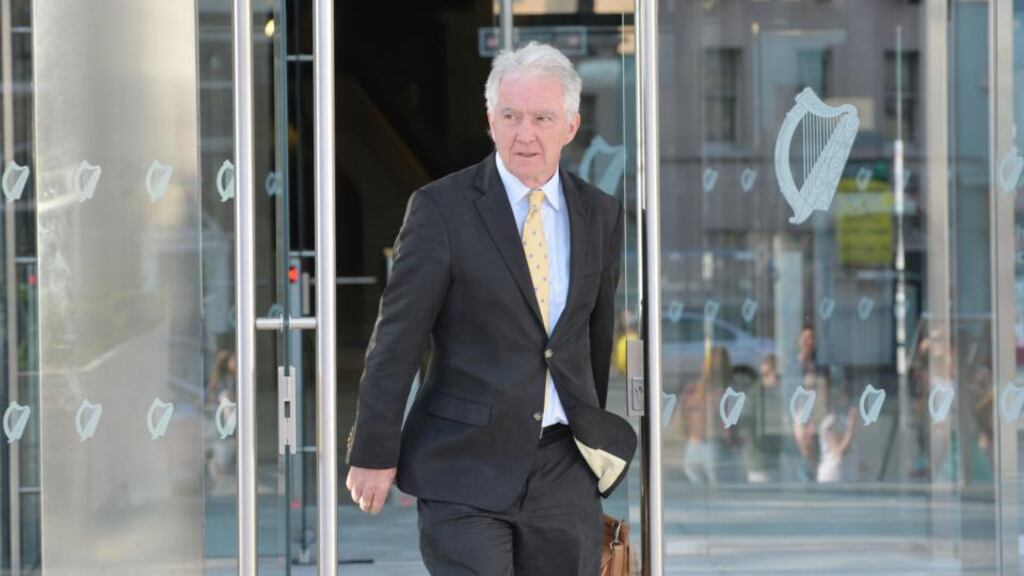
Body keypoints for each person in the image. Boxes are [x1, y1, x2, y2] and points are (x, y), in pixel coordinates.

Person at [344, 42, 637, 575]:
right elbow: (397, 338)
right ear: (490, 121)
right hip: (463, 464)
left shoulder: (600, 213)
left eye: (542, 117)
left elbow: (592, 339)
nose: (525, 134)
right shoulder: (440, 210)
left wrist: (585, 425)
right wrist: (373, 449)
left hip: (562, 469)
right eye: (510, 116)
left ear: (571, 125)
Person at [740, 354, 785, 483]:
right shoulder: (756, 395)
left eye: (768, 374)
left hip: (773, 459)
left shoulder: (777, 393)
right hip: (760, 461)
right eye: (764, 375)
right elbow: (745, 424)